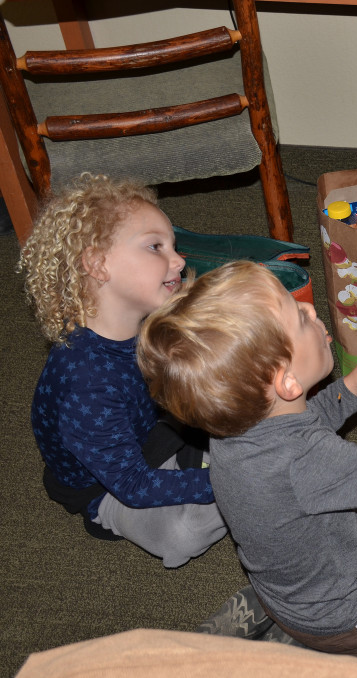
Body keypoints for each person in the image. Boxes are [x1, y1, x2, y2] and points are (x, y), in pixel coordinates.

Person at [136, 260, 357, 667]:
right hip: (347, 610)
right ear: (286, 381)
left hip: (298, 575)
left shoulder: (235, 430)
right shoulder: (307, 463)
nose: (311, 311)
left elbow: (302, 420)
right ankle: (331, 652)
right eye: (299, 317)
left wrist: (354, 385)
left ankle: (290, 623)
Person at [16, 173, 227, 568]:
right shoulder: (86, 383)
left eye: (173, 246)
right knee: (183, 535)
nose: (179, 260)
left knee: (234, 388)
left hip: (155, 433)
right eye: (155, 247)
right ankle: (221, 470)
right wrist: (231, 483)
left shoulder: (147, 319)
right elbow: (133, 485)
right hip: (107, 486)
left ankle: (213, 460)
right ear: (97, 263)